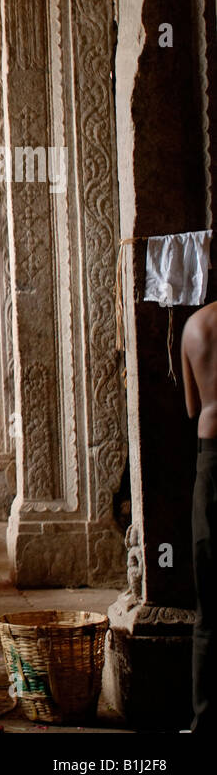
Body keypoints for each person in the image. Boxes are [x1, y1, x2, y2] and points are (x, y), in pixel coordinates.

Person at [181, 303, 217, 732]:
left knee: (209, 606)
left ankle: (204, 719)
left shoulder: (196, 325)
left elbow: (192, 407)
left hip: (212, 462)